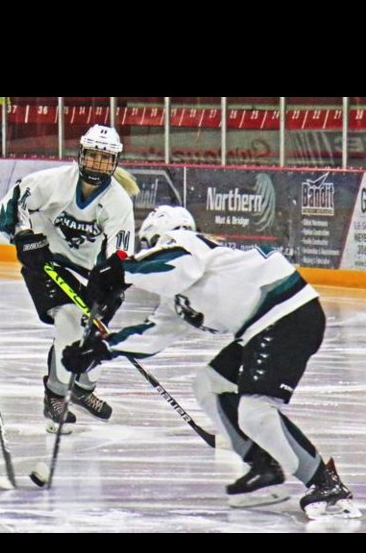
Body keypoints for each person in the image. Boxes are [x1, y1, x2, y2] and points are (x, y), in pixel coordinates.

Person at [61, 205, 362, 520]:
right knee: (209, 384)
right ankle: (262, 463)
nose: (149, 250)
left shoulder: (188, 246)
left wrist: (125, 271)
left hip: (286, 315)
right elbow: (153, 335)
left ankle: (322, 482)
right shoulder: (177, 293)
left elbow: (178, 266)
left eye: (151, 244)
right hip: (262, 327)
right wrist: (100, 350)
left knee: (255, 411)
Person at [0, 124, 138, 433]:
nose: (97, 164)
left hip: (86, 271)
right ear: (81, 155)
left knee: (95, 330)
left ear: (114, 162)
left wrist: (111, 279)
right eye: (92, 156)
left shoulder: (118, 201)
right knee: (70, 318)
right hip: (45, 263)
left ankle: (83, 389)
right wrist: (22, 237)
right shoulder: (52, 182)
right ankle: (56, 396)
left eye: (105, 159)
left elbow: (120, 250)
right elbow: (14, 203)